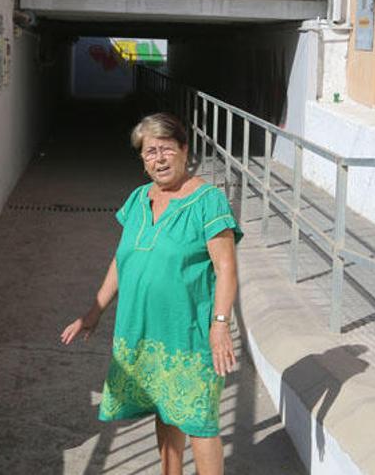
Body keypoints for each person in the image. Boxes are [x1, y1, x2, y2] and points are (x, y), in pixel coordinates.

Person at [61, 112, 242, 475]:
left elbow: (226, 268)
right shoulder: (138, 198)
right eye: (148, 152)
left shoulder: (208, 201)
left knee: (199, 422)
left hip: (188, 334)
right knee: (165, 407)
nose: (158, 159)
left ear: (184, 150)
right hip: (142, 330)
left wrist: (220, 324)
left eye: (165, 149)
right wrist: (94, 310)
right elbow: (123, 259)